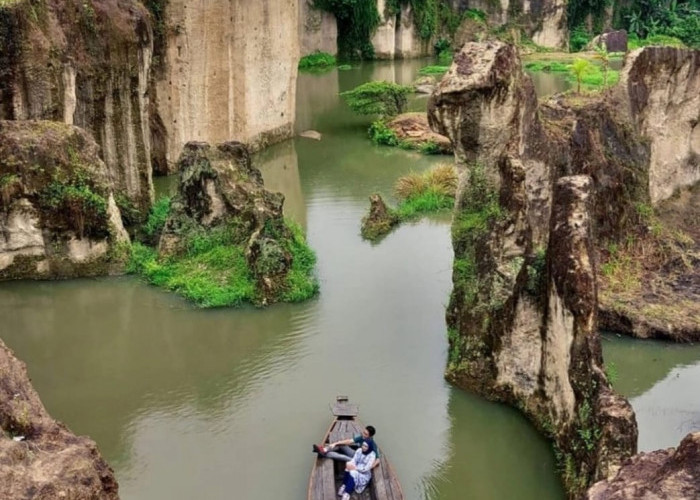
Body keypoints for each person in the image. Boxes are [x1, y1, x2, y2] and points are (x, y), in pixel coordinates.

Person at [312, 425, 380, 466]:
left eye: (366, 434)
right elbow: (349, 441)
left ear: (370, 436)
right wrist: (335, 443)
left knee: (342, 456)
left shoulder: (372, 445)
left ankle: (322, 453)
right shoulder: (362, 437)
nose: (363, 434)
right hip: (356, 453)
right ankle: (324, 449)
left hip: (359, 461)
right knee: (341, 445)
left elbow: (378, 459)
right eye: (363, 432)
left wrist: (370, 467)